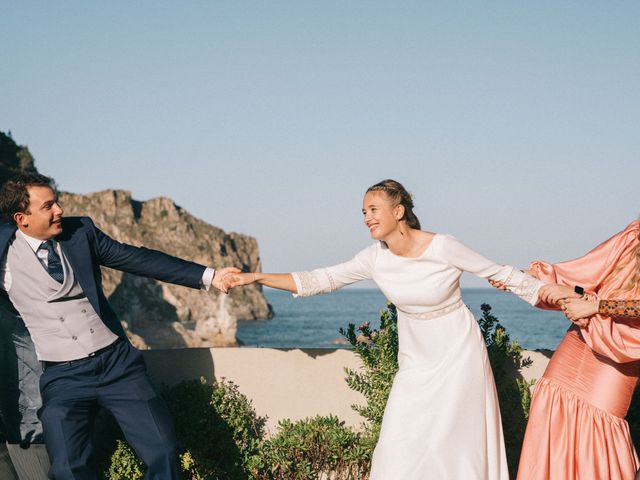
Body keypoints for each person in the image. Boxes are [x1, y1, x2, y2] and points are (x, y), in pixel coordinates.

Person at [224, 179, 545, 479]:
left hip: (458, 354)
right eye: (363, 212)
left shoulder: (443, 246)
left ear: (399, 210)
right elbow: (319, 279)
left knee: (456, 446)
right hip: (416, 362)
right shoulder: (374, 259)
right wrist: (256, 278)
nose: (367, 218)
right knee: (396, 445)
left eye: (373, 209)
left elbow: (498, 272)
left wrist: (555, 294)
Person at [0, 173, 239, 480]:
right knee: (66, 469)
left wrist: (209, 276)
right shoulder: (5, 251)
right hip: (63, 376)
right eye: (48, 206)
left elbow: (137, 259)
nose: (59, 209)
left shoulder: (80, 233)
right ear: (22, 218)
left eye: (56, 201)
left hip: (118, 365)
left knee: (163, 453)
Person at [514, 220, 640, 480]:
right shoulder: (634, 233)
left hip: (622, 354)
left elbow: (609, 303)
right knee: (553, 422)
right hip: (579, 342)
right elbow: (590, 279)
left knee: (602, 437)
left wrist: (596, 307)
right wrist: (561, 288)